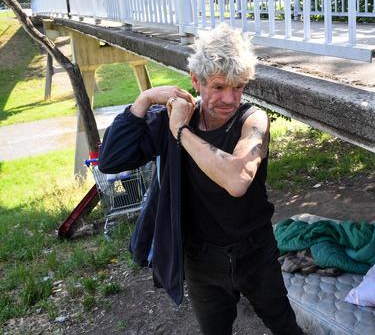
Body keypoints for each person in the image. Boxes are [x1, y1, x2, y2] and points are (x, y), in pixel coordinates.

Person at [99, 23, 303, 335]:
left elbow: (237, 179)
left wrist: (182, 131)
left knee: (284, 325)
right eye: (219, 87)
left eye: (239, 86)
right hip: (201, 261)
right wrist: (143, 101)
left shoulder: (252, 119)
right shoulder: (176, 118)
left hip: (255, 252)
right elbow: (112, 160)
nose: (230, 99)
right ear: (196, 80)